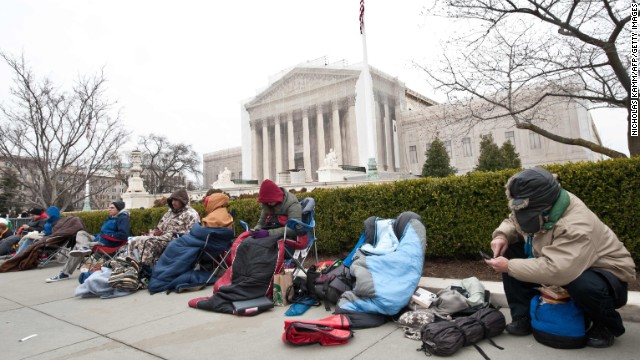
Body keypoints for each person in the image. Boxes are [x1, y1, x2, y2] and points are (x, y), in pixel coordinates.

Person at [485, 168, 636, 348]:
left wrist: (509, 267)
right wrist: (501, 236)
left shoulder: (577, 224)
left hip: (607, 275)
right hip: (567, 264)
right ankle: (523, 316)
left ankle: (606, 325)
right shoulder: (543, 201)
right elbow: (515, 220)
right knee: (510, 250)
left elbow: (558, 270)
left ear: (544, 207)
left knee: (582, 283)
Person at [45, 201, 130, 282]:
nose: (109, 209)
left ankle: (64, 273)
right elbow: (103, 232)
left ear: (118, 209)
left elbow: (123, 235)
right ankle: (83, 247)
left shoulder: (122, 218)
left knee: (77, 248)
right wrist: (98, 235)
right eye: (109, 207)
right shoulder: (111, 218)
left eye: (112, 208)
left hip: (108, 243)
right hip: (99, 239)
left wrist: (106, 235)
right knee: (81, 233)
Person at [129, 189, 200, 267]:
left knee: (146, 241)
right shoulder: (169, 213)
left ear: (182, 201)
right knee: (133, 240)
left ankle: (145, 269)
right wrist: (157, 231)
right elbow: (159, 227)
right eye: (172, 200)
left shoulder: (191, 214)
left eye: (176, 200)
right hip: (161, 238)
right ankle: (131, 267)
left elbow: (192, 233)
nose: (173, 202)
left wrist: (172, 234)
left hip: (176, 241)